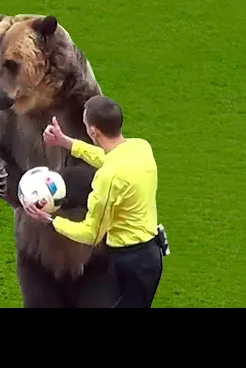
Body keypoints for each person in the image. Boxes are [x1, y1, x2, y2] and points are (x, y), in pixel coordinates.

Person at [24, 95, 167, 308]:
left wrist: (50, 221)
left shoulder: (107, 178)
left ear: (93, 131)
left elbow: (91, 233)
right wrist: (66, 142)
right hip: (148, 254)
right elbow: (105, 157)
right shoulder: (141, 147)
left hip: (131, 262)